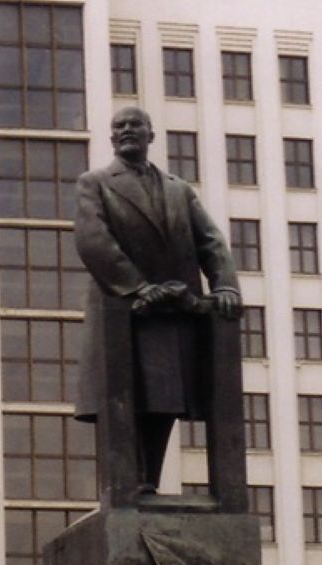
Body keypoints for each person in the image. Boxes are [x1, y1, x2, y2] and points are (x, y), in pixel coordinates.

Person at [73, 106, 242, 495]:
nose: (127, 130)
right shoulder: (95, 183)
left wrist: (225, 285)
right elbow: (93, 240)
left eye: (136, 125)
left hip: (171, 312)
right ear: (111, 137)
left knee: (163, 397)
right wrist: (135, 286)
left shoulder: (178, 190)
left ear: (152, 134)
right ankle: (126, 482)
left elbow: (211, 242)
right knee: (121, 400)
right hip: (122, 308)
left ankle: (148, 480)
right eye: (120, 126)